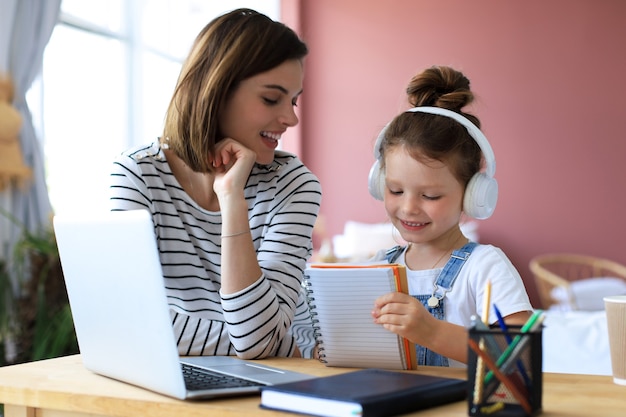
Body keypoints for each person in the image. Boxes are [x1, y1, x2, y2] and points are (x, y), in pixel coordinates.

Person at [109, 9, 321, 359]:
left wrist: (232, 200)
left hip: (276, 382)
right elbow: (125, 323)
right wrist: (268, 342)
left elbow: (257, 343)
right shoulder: (137, 174)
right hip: (174, 373)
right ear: (216, 89)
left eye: (293, 100)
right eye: (271, 98)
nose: (291, 118)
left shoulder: (294, 185)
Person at [368, 65, 532, 367]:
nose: (408, 208)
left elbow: (520, 356)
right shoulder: (378, 266)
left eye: (430, 196)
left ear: (473, 195)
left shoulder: (485, 267)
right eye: (395, 190)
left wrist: (431, 331)